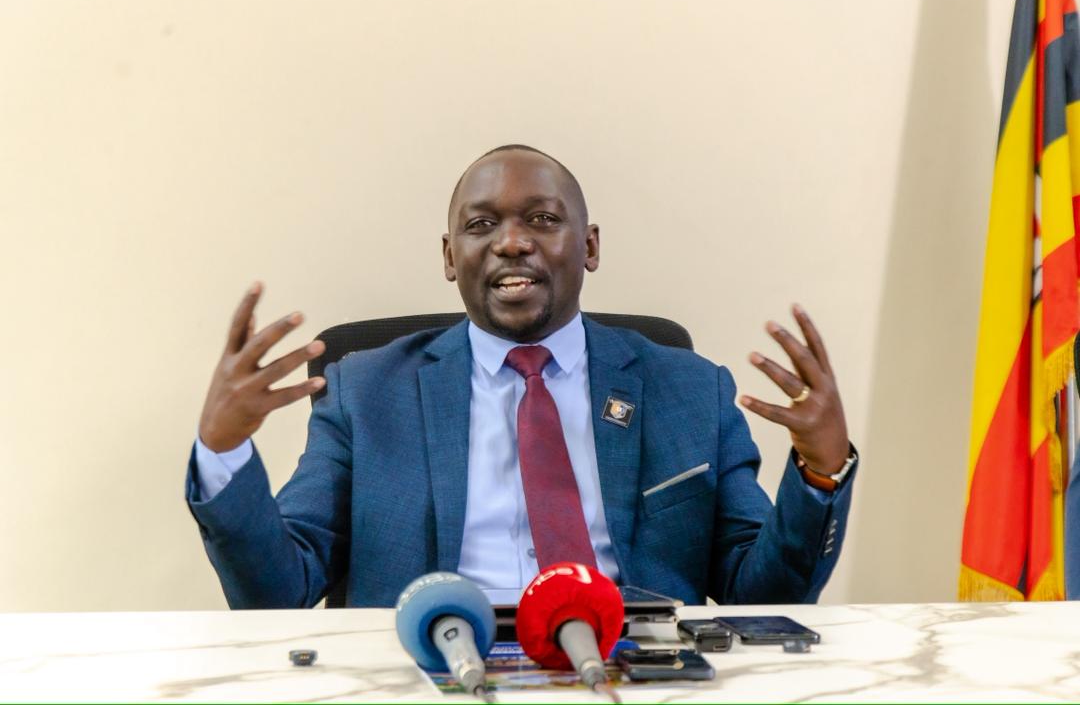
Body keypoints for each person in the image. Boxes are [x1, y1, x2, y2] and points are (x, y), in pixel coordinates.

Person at [187, 144, 857, 608]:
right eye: (482, 225)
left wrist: (820, 471)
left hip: (634, 673)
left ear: (589, 246)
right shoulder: (366, 392)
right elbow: (279, 591)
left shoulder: (687, 389)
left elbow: (762, 597)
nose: (511, 241)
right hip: (434, 672)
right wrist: (224, 452)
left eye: (541, 218)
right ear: (451, 258)